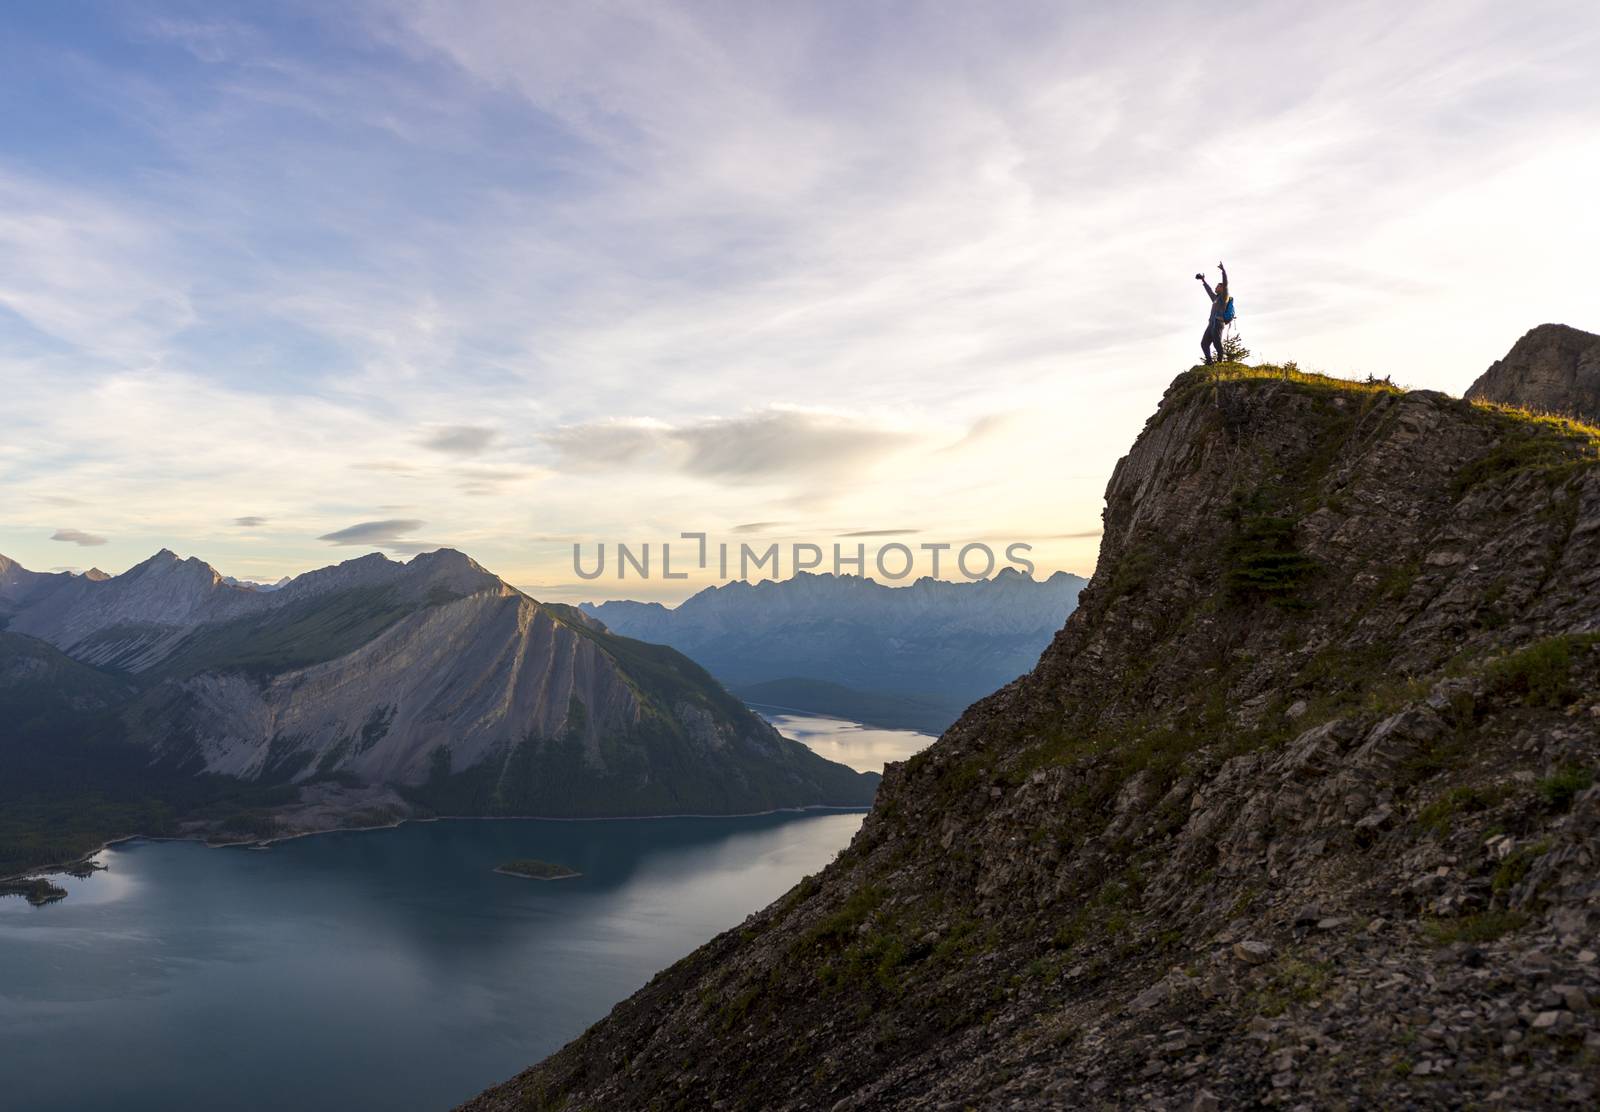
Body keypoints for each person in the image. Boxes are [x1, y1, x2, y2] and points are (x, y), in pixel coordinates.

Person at [1196, 261, 1229, 364]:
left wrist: (1223, 271)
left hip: (1218, 322)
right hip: (1211, 323)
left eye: (1217, 286)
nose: (1215, 288)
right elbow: (1209, 291)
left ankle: (1220, 362)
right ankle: (1210, 362)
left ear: (1222, 288)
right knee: (1204, 343)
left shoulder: (1224, 297)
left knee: (1217, 343)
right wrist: (1203, 281)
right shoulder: (1215, 298)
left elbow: (1226, 283)